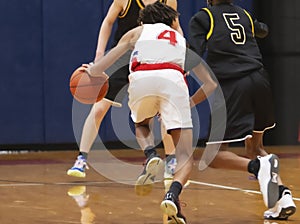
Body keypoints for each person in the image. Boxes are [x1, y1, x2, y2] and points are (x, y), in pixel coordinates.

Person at [83, 2, 217, 222]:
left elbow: (102, 65)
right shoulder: (180, 41)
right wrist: (188, 104)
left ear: (144, 20)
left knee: (142, 124)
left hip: (142, 77)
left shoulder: (138, 31)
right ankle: (172, 194)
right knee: (185, 157)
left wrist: (90, 70)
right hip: (173, 82)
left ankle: (151, 155)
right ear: (173, 21)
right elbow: (210, 84)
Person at [188, 0, 296, 220]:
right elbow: (263, 30)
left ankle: (257, 168)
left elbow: (195, 54)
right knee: (255, 148)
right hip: (260, 81)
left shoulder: (203, 17)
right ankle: (284, 197)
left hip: (233, 84)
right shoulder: (244, 14)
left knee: (214, 156)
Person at [67, 0, 182, 194]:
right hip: (123, 55)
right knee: (100, 108)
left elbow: (175, 27)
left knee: (159, 112)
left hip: (152, 57)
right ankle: (82, 158)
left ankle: (168, 160)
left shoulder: (169, 0)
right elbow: (107, 22)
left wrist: (181, 58)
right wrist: (99, 55)